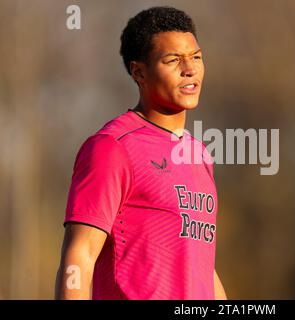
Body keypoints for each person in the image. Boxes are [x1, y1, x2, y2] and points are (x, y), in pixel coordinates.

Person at [55, 6, 227, 300]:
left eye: (196, 57)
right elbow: (79, 255)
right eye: (173, 60)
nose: (190, 69)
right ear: (138, 72)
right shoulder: (112, 147)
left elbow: (202, 267)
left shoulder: (199, 155)